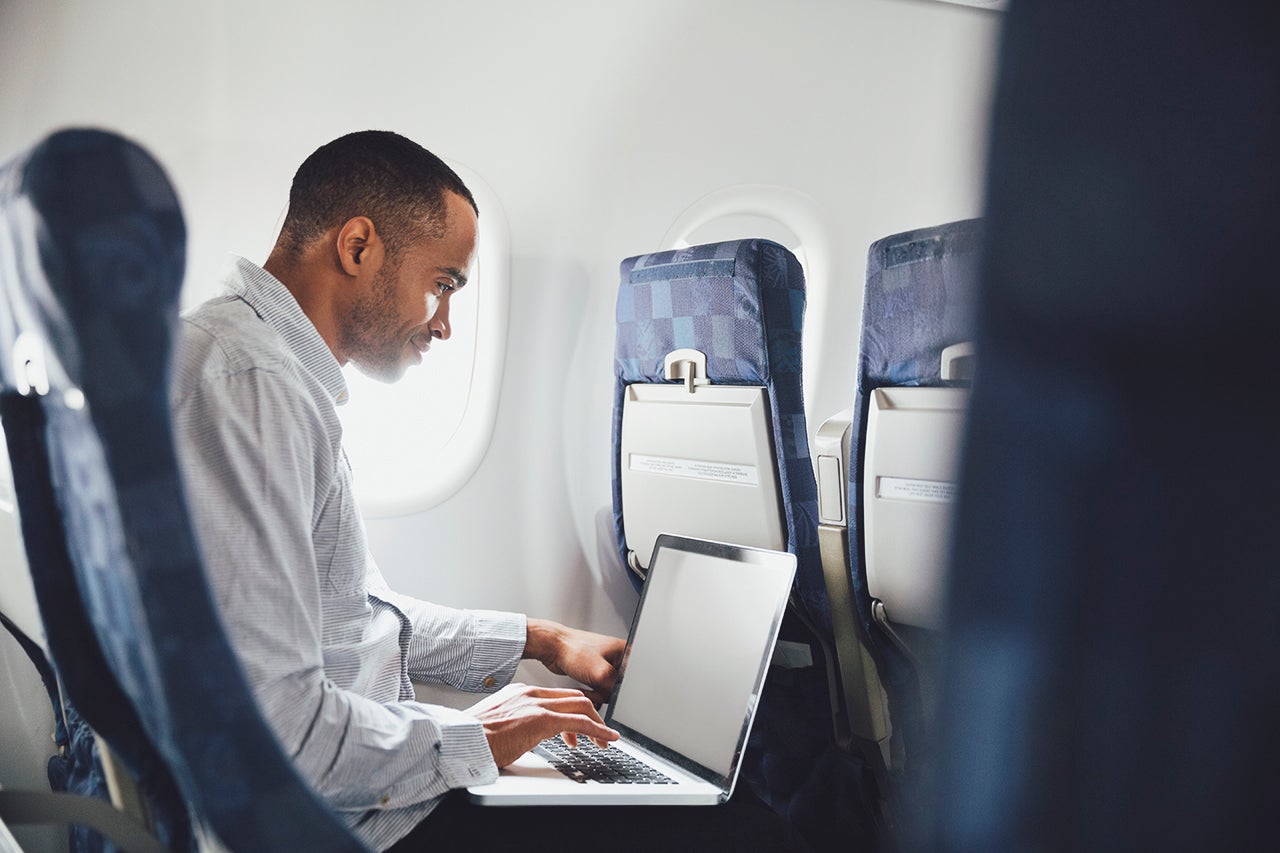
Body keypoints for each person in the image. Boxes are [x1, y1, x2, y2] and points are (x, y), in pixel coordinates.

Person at [172, 130, 810, 852]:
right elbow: (279, 735)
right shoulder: (251, 389)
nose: (444, 323)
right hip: (358, 826)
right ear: (357, 247)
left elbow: (357, 618)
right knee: (740, 827)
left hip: (370, 799)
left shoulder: (265, 372)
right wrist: (481, 734)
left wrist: (544, 640)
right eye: (442, 284)